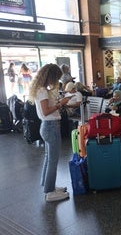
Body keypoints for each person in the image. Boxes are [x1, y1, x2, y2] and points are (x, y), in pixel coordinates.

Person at [28, 63, 71, 202]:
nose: (56, 81)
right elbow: (46, 111)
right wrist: (61, 103)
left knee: (48, 158)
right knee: (53, 160)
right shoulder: (42, 91)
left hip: (47, 126)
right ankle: (50, 192)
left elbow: (45, 109)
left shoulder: (40, 90)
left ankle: (47, 185)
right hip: (51, 126)